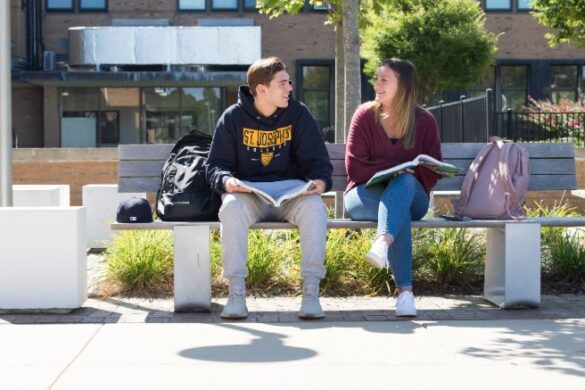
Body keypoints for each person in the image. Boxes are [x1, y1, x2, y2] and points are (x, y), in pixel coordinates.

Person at [206, 57, 333, 320]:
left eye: (289, 82)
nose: (289, 88)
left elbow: (317, 161)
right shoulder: (233, 118)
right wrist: (228, 182)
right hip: (250, 196)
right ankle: (236, 294)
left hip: (291, 196)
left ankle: (311, 293)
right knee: (230, 207)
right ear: (261, 89)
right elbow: (215, 166)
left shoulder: (298, 114)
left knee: (314, 208)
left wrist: (320, 181)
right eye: (283, 83)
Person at [343, 58, 442, 317]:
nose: (377, 84)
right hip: (364, 194)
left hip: (413, 194)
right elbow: (355, 168)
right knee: (399, 214)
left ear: (403, 85)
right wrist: (393, 170)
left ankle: (382, 242)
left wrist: (405, 173)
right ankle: (406, 294)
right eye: (376, 79)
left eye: (384, 79)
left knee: (405, 185)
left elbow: (431, 172)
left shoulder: (425, 121)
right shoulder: (364, 115)